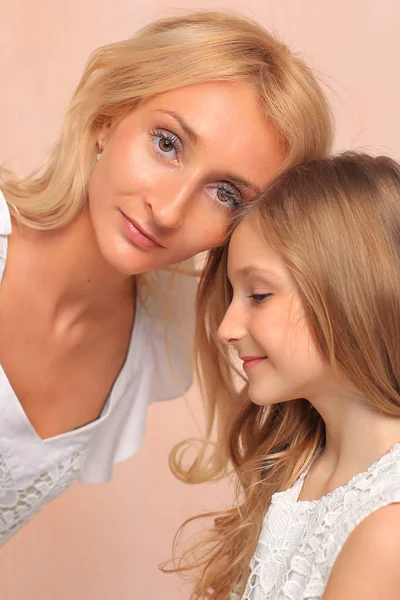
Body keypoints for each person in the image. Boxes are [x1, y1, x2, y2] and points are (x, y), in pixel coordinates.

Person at [0, 11, 332, 546]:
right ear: (109, 117)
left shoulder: (155, 345)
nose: (169, 210)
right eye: (168, 144)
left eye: (226, 194)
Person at [171, 152, 400, 599]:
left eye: (258, 295)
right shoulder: (300, 468)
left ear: (350, 292)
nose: (227, 329)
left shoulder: (386, 530)